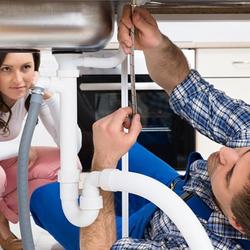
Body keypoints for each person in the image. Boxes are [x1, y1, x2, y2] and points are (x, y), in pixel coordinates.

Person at [29, 5, 250, 250]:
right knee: (105, 144)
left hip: (148, 233)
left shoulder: (201, 246)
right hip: (178, 191)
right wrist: (156, 44)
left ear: (237, 223)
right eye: (244, 152)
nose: (226, 152)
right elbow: (186, 88)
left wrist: (103, 165)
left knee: (41, 197)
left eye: (230, 174)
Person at [0, 50, 82, 250]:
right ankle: (4, 235)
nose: (18, 79)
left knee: (66, 162)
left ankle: (9, 208)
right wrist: (20, 150)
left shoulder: (28, 94)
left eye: (25, 68)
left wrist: (50, 97)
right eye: (6, 69)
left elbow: (73, 145)